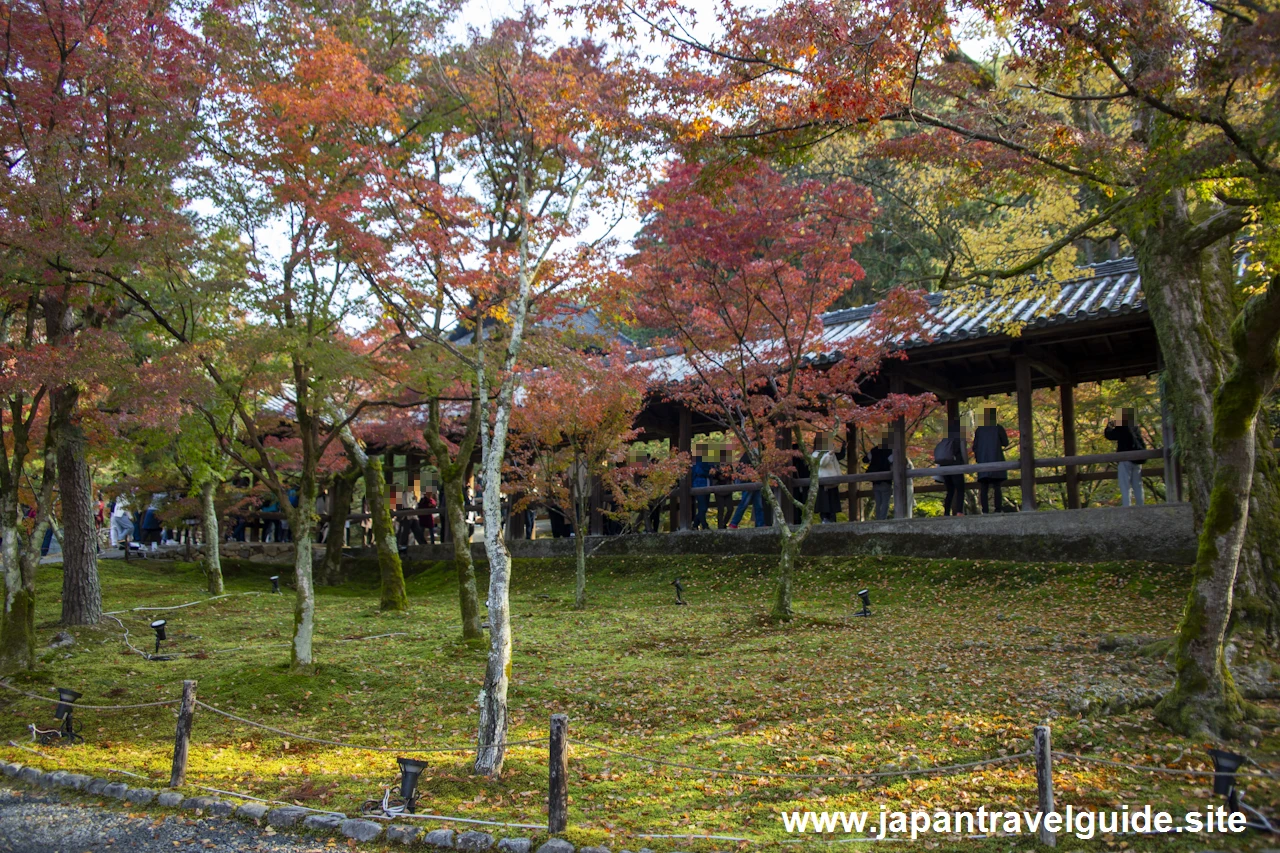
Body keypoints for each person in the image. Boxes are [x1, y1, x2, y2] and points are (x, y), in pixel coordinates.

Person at [1105, 407, 1147, 506]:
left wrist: (1109, 426)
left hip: (1125, 459)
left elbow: (1110, 435)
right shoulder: (1135, 428)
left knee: (1125, 485)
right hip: (1137, 458)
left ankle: (1127, 507)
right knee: (1138, 484)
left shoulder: (1122, 427)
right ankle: (1141, 506)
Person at [972, 408, 1010, 514]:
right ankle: (998, 509)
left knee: (984, 487)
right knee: (997, 486)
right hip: (996, 459)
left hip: (983, 461)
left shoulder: (979, 430)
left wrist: (979, 458)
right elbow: (1005, 442)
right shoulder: (998, 428)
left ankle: (985, 511)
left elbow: (975, 446)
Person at [933, 425, 969, 516]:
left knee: (950, 491)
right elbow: (963, 452)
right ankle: (959, 511)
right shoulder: (960, 438)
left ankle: (946, 513)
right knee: (960, 489)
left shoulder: (944, 440)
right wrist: (966, 465)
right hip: (956, 467)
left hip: (945, 467)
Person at [811, 433, 844, 523]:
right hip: (823, 482)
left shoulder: (830, 454)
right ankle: (825, 519)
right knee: (824, 503)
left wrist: (839, 477)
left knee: (833, 503)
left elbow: (836, 465)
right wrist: (829, 454)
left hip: (833, 481)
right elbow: (821, 463)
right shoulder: (815, 454)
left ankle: (833, 519)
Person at [727, 448, 764, 529]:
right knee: (744, 503)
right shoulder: (747, 459)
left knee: (758, 505)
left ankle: (760, 524)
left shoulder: (749, 458)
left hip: (755, 483)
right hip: (748, 483)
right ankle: (733, 523)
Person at [863, 433, 893, 520]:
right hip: (886, 479)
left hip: (875, 480)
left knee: (878, 501)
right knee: (885, 502)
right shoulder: (889, 451)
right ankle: (882, 519)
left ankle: (878, 518)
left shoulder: (874, 450)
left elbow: (865, 460)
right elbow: (893, 462)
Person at [689, 443, 716, 530]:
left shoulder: (709, 461)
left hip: (706, 483)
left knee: (705, 506)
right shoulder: (696, 460)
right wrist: (709, 472)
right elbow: (698, 471)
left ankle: (695, 524)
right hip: (699, 484)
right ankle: (704, 525)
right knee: (703, 506)